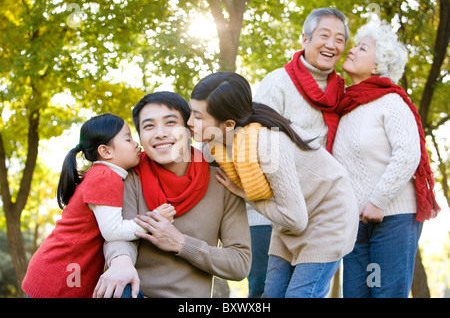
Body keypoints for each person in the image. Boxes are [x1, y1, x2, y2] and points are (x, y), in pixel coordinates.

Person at [188, 72, 358, 298]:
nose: (189, 122)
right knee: (271, 295)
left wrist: (244, 193)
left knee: (300, 295)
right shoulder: (214, 147)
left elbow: (296, 220)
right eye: (191, 112)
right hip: (289, 216)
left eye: (198, 117)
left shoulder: (267, 143)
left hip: (328, 216)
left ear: (228, 124)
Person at [93, 91, 251, 298]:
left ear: (189, 129)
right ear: (140, 137)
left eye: (170, 123)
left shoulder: (222, 182)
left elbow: (239, 263)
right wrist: (120, 262)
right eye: (148, 126)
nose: (160, 133)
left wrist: (181, 243)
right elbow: (119, 235)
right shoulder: (130, 177)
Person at [332, 22, 441, 298]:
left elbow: (408, 153)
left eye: (362, 47)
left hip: (393, 217)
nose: (352, 50)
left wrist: (378, 201)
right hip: (355, 223)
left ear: (378, 66)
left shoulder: (391, 102)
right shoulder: (345, 107)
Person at [248, 8, 349, 297]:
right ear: (304, 38)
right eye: (324, 35)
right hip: (270, 210)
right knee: (263, 291)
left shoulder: (341, 93)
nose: (332, 44)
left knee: (304, 291)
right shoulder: (277, 82)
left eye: (340, 39)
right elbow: (257, 143)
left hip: (316, 212)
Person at [22, 113, 175, 298]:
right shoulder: (105, 177)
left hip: (59, 271)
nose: (136, 144)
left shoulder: (101, 175)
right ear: (106, 151)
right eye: (128, 139)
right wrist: (153, 219)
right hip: (59, 276)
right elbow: (114, 231)